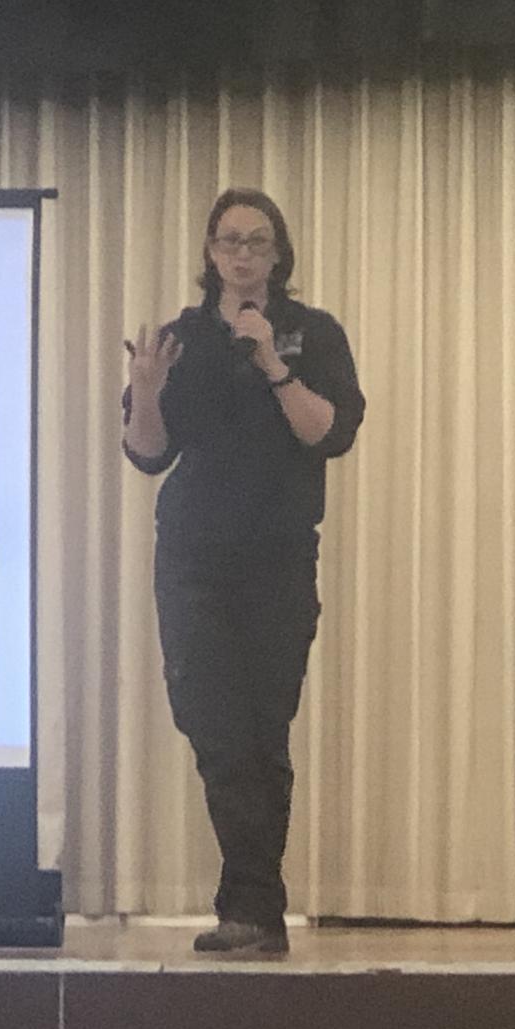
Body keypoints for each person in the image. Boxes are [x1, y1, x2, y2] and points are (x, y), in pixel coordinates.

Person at [122, 188, 365, 954]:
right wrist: (150, 392)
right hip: (193, 557)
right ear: (210, 252)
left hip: (278, 560)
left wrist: (272, 366)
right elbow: (148, 452)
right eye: (229, 241)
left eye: (257, 242)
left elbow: (331, 435)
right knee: (215, 726)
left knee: (264, 733)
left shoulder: (311, 333)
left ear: (278, 254)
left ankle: (252, 907)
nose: (242, 254)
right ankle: (255, 905)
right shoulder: (181, 338)